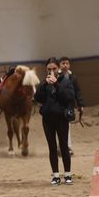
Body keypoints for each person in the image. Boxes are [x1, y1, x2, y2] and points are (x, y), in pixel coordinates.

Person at [34, 57, 76, 185]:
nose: (51, 71)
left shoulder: (66, 82)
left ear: (58, 68)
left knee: (64, 146)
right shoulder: (44, 83)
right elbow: (37, 98)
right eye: (49, 69)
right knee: (52, 148)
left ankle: (67, 175)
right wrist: (44, 85)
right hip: (47, 119)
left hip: (61, 118)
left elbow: (69, 98)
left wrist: (56, 84)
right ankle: (56, 176)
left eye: (54, 68)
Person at [59, 56, 84, 155]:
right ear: (59, 65)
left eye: (67, 63)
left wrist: (80, 104)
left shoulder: (73, 77)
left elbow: (78, 91)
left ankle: (67, 147)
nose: (65, 65)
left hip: (69, 105)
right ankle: (60, 147)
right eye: (63, 63)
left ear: (69, 65)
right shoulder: (56, 76)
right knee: (58, 126)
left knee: (67, 125)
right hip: (58, 104)